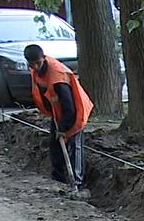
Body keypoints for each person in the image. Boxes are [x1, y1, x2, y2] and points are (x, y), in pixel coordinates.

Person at [25, 44, 93, 187]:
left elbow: (70, 107)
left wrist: (63, 128)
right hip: (58, 113)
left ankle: (77, 183)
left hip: (75, 111)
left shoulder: (58, 76)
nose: (36, 67)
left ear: (43, 58)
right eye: (33, 64)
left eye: (38, 63)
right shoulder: (36, 72)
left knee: (75, 147)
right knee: (55, 145)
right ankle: (58, 179)